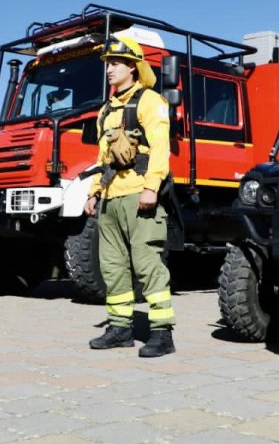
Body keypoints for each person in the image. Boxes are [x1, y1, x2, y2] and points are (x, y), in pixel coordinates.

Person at [84, 34, 177, 358]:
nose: (109, 69)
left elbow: (161, 149)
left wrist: (152, 186)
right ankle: (120, 328)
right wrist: (94, 192)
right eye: (107, 63)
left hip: (139, 193)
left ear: (133, 67)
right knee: (112, 267)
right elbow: (101, 157)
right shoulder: (105, 110)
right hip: (111, 197)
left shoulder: (150, 101)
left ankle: (162, 333)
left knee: (148, 264)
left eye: (116, 63)